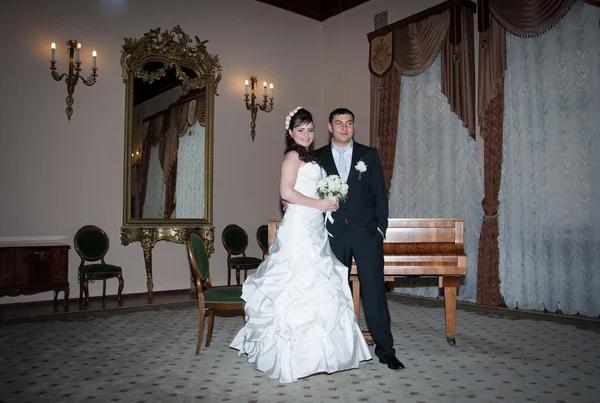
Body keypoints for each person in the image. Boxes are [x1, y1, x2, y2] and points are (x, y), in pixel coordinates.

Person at [230, 107, 371, 384]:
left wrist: (330, 198)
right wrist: (319, 203)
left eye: (309, 129)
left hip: (315, 227)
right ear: (291, 133)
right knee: (295, 283)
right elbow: (286, 191)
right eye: (300, 129)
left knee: (319, 283)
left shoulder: (312, 158)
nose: (306, 134)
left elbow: (302, 190)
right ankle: (291, 356)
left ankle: (322, 354)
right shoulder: (292, 156)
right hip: (298, 229)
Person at [311, 108, 405, 371]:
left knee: (375, 293)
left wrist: (380, 230)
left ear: (354, 126)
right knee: (331, 293)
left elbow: (380, 195)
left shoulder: (369, 155)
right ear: (329, 127)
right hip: (333, 236)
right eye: (338, 123)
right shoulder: (316, 157)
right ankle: (333, 349)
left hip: (366, 236)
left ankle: (386, 351)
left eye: (349, 123)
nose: (344, 128)